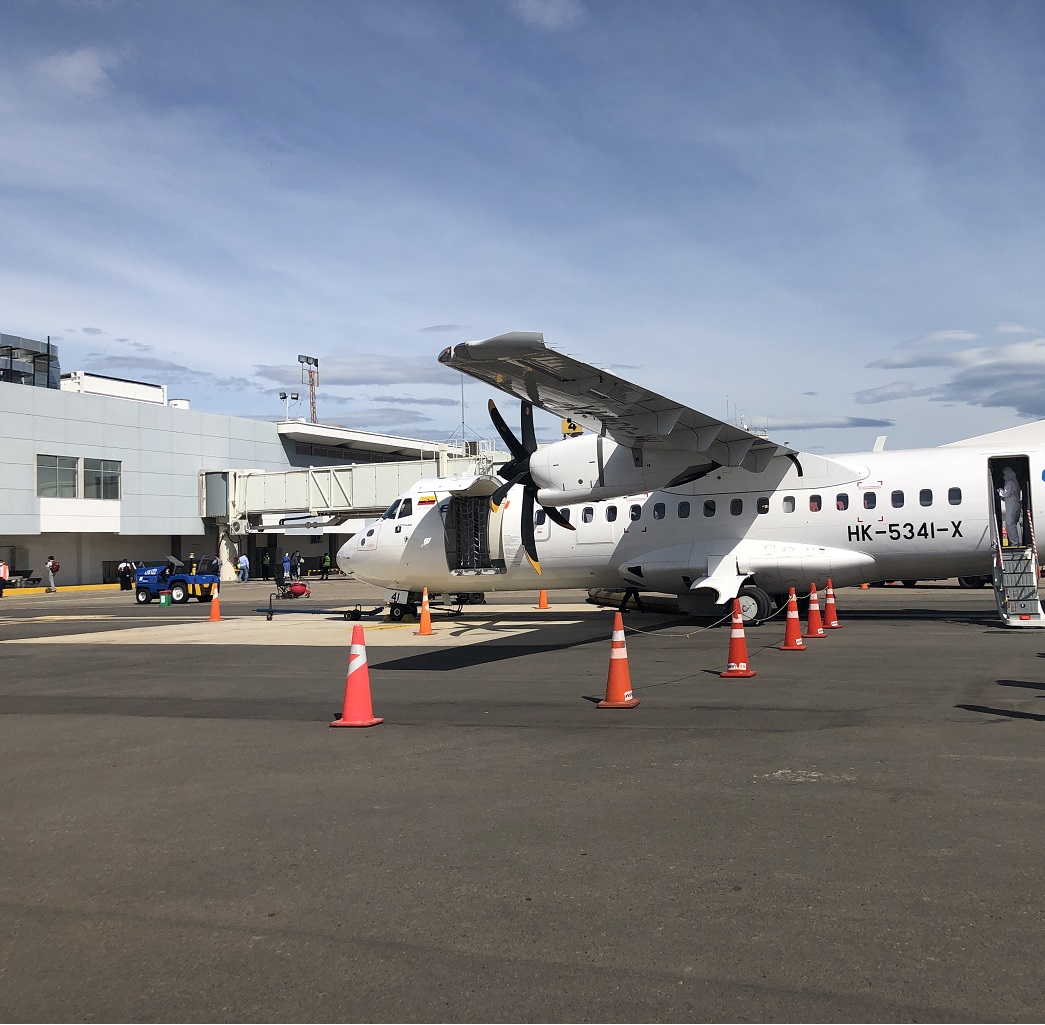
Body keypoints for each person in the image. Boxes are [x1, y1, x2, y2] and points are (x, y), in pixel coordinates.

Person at [998, 466, 1023, 546]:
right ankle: (1014, 541)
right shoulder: (1014, 482)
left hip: (1012, 505)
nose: (1003, 477)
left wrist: (999, 490)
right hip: (1013, 504)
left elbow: (1006, 493)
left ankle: (1015, 542)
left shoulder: (1010, 482)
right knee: (1012, 523)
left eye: (1004, 474)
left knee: (1009, 523)